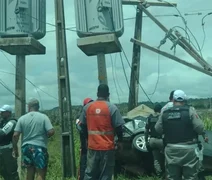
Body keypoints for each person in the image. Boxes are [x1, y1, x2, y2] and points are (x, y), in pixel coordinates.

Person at [155, 90, 206, 180]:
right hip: (189, 149)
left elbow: (158, 129)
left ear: (173, 100)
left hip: (171, 149)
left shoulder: (165, 113)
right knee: (191, 176)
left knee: (172, 177)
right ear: (184, 100)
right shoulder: (190, 111)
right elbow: (200, 128)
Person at [79, 84, 125, 180]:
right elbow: (119, 127)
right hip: (107, 147)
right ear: (108, 94)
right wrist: (120, 141)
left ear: (97, 93)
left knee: (90, 173)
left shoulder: (87, 107)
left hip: (92, 146)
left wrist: (88, 138)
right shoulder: (112, 108)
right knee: (105, 175)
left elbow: (82, 126)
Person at [12, 98, 55, 180]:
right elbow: (51, 131)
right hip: (39, 147)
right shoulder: (43, 117)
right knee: (41, 172)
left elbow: (15, 135)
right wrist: (47, 135)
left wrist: (15, 149)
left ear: (28, 107)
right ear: (38, 107)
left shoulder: (22, 118)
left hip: (26, 148)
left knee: (30, 171)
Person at [76, 98, 94, 180]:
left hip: (93, 146)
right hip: (86, 146)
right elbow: (81, 128)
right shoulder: (80, 120)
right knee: (84, 165)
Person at [145, 103, 164, 178]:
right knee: (166, 157)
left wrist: (146, 141)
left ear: (154, 110)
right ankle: (166, 173)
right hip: (161, 140)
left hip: (152, 140)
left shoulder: (149, 118)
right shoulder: (162, 117)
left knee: (156, 158)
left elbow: (146, 131)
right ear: (160, 110)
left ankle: (159, 174)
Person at [0, 105, 19, 180]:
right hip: (2, 150)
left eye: (3, 112)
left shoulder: (12, 122)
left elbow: (2, 133)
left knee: (11, 171)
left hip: (7, 150)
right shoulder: (2, 122)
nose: (1, 113)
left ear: (8, 113)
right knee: (3, 171)